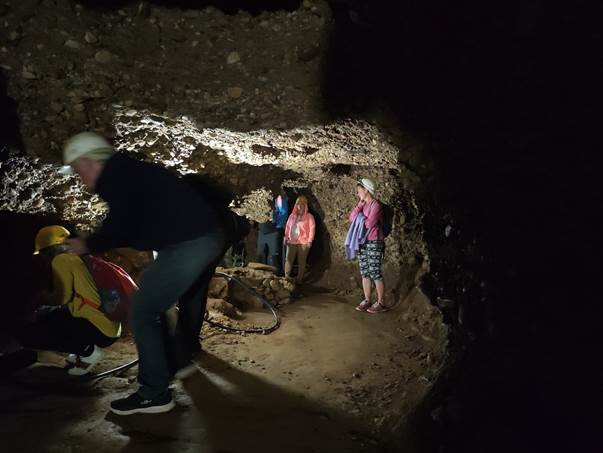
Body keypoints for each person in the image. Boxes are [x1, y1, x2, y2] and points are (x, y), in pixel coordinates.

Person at [59, 131, 225, 416]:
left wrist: (87, 244)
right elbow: (132, 222)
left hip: (190, 243)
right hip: (196, 239)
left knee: (142, 310)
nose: (79, 178)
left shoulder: (117, 177)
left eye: (77, 170)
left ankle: (154, 393)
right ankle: (175, 362)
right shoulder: (128, 172)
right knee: (152, 301)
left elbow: (121, 224)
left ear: (88, 162)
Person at [16, 225, 121, 375]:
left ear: (48, 250)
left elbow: (62, 298)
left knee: (30, 334)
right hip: (109, 326)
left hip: (98, 329)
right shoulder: (79, 256)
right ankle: (81, 349)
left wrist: (43, 297)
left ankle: (89, 351)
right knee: (52, 316)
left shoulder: (61, 260)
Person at [349, 178, 388, 313]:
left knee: (375, 272)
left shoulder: (376, 205)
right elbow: (352, 218)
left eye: (359, 190)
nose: (357, 193)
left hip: (374, 241)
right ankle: (367, 299)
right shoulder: (364, 205)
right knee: (365, 271)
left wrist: (360, 219)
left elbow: (369, 224)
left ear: (366, 190)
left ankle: (381, 302)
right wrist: (359, 205)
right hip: (363, 241)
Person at [284, 196, 315, 284]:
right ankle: (287, 278)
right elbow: (288, 227)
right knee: (288, 260)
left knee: (301, 261)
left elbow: (312, 229)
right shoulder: (292, 216)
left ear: (305, 206)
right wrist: (286, 237)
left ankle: (299, 279)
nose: (300, 206)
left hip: (303, 243)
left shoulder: (309, 217)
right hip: (292, 241)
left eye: (302, 204)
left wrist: (310, 241)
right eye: (298, 204)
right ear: (296, 205)